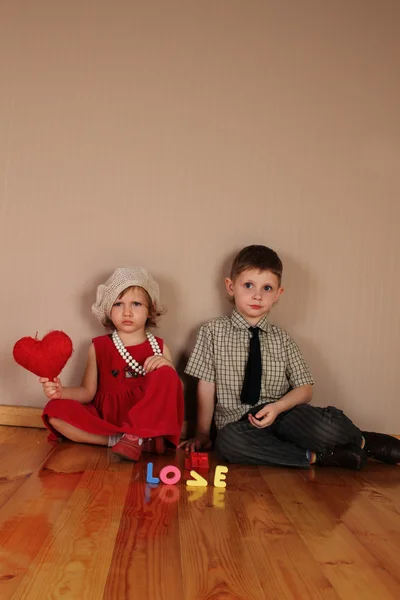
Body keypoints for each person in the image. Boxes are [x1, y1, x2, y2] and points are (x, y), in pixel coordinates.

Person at [180, 245, 400, 469]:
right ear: (230, 286)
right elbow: (206, 385)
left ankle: (363, 441)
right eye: (248, 285)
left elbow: (305, 389)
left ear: (278, 294)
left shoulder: (283, 339)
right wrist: (202, 433)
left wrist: (277, 407)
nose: (257, 295)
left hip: (284, 416)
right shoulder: (212, 332)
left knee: (326, 426)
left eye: (267, 288)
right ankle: (318, 458)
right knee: (228, 444)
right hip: (239, 425)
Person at [41, 267, 184, 461]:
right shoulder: (99, 347)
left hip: (146, 420)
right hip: (106, 419)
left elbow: (173, 394)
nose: (127, 312)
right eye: (118, 304)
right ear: (108, 310)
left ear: (150, 310)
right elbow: (87, 392)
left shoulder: (159, 348)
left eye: (136, 304)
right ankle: (124, 440)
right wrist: (61, 392)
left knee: (167, 373)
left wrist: (167, 367)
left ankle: (138, 435)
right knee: (54, 412)